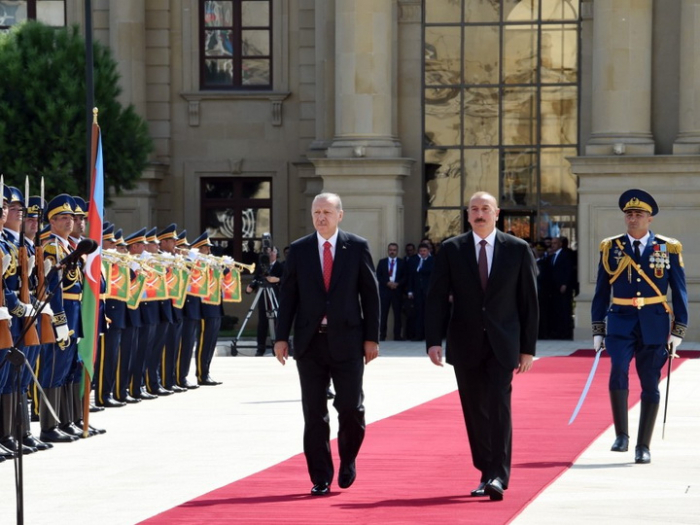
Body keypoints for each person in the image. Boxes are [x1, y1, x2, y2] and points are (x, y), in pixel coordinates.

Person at [425, 191, 538, 502]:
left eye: (485, 208)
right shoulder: (452, 249)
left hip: (503, 343)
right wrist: (434, 341)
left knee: (499, 407)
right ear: (468, 213)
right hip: (465, 342)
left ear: (497, 213)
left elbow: (529, 302)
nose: (479, 214)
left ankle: (499, 475)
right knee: (475, 411)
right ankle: (486, 470)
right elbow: (436, 297)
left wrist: (527, 348)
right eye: (474, 209)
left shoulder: (517, 249)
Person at [274, 192, 380, 496]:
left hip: (348, 342)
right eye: (316, 212)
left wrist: (371, 338)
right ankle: (320, 476)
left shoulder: (356, 247)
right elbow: (289, 296)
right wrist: (282, 337)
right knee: (314, 413)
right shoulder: (299, 250)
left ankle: (348, 458)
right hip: (310, 344)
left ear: (339, 215)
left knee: (350, 408)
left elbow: (370, 296)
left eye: (327, 212)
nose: (321, 217)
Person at [591, 189, 688, 464]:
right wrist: (598, 328)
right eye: (629, 214)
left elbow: (679, 291)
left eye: (639, 215)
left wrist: (679, 329)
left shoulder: (667, 248)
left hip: (655, 322)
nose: (633, 219)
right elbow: (600, 291)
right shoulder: (611, 247)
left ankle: (643, 445)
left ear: (650, 219)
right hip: (620, 320)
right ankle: (621, 434)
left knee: (650, 382)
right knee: (618, 370)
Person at [245, 245, 284, 356]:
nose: (271, 254)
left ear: (277, 253)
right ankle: (260, 348)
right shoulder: (261, 267)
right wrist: (250, 288)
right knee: (262, 324)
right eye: (268, 252)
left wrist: (277, 279)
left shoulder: (280, 266)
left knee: (278, 323)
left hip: (276, 298)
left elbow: (287, 279)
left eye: (273, 252)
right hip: (263, 298)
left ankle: (277, 347)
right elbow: (256, 279)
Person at [375, 242, 406, 341]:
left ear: (397, 251)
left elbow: (405, 276)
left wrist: (397, 283)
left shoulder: (402, 262)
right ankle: (382, 335)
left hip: (397, 291)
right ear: (388, 251)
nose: (392, 252)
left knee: (397, 314)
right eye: (390, 250)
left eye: (394, 250)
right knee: (384, 314)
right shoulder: (382, 262)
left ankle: (397, 335)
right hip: (385, 291)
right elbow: (378, 276)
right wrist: (387, 283)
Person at [547, 236, 576, 339]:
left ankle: (565, 333)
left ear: (560, 244)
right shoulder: (552, 256)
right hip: (554, 288)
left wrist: (564, 283)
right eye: (552, 243)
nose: (553, 245)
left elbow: (568, 270)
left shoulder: (565, 255)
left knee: (564, 310)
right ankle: (557, 332)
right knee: (556, 311)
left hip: (563, 288)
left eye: (555, 243)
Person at [406, 242, 433, 341]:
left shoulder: (432, 260)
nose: (422, 253)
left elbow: (432, 273)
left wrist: (420, 270)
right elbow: (410, 276)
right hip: (417, 292)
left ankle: (429, 336)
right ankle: (418, 335)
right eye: (421, 251)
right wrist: (410, 290)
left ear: (428, 251)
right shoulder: (414, 261)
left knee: (428, 314)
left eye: (424, 251)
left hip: (428, 292)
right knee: (418, 314)